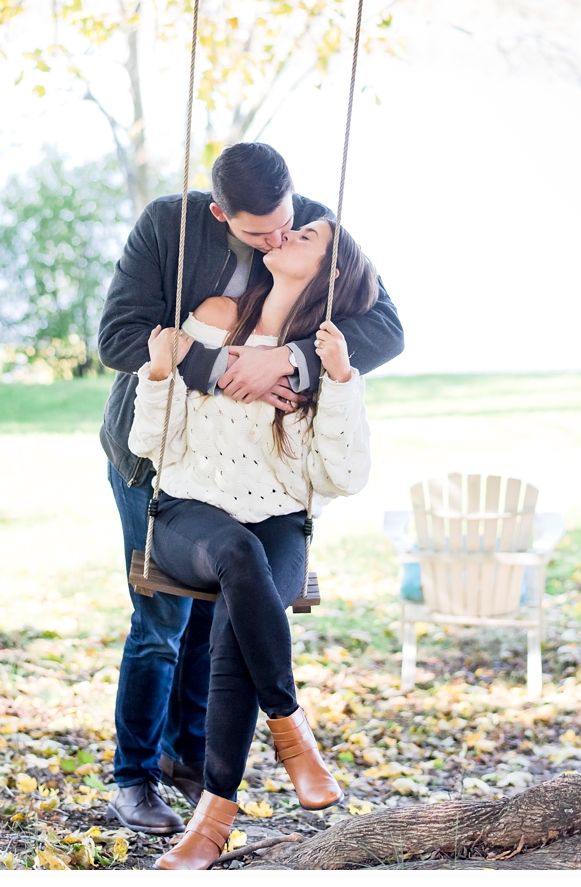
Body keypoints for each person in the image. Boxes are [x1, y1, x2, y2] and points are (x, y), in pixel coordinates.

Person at [97, 143, 404, 834]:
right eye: (256, 232)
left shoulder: (310, 231)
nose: (276, 240)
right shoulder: (165, 227)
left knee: (219, 612)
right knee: (162, 623)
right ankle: (134, 776)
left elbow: (385, 328)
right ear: (219, 214)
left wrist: (288, 363)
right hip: (152, 454)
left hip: (257, 481)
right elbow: (118, 337)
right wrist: (219, 364)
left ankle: (193, 758)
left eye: (285, 224)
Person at [131, 219, 376, 870]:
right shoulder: (213, 317)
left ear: (330, 270)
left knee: (240, 611)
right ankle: (291, 729)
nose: (293, 230)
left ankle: (211, 825)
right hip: (188, 515)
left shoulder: (322, 357)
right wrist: (158, 377)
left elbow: (343, 478)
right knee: (239, 556)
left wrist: (344, 380)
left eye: (312, 233)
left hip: (282, 519)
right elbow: (150, 447)